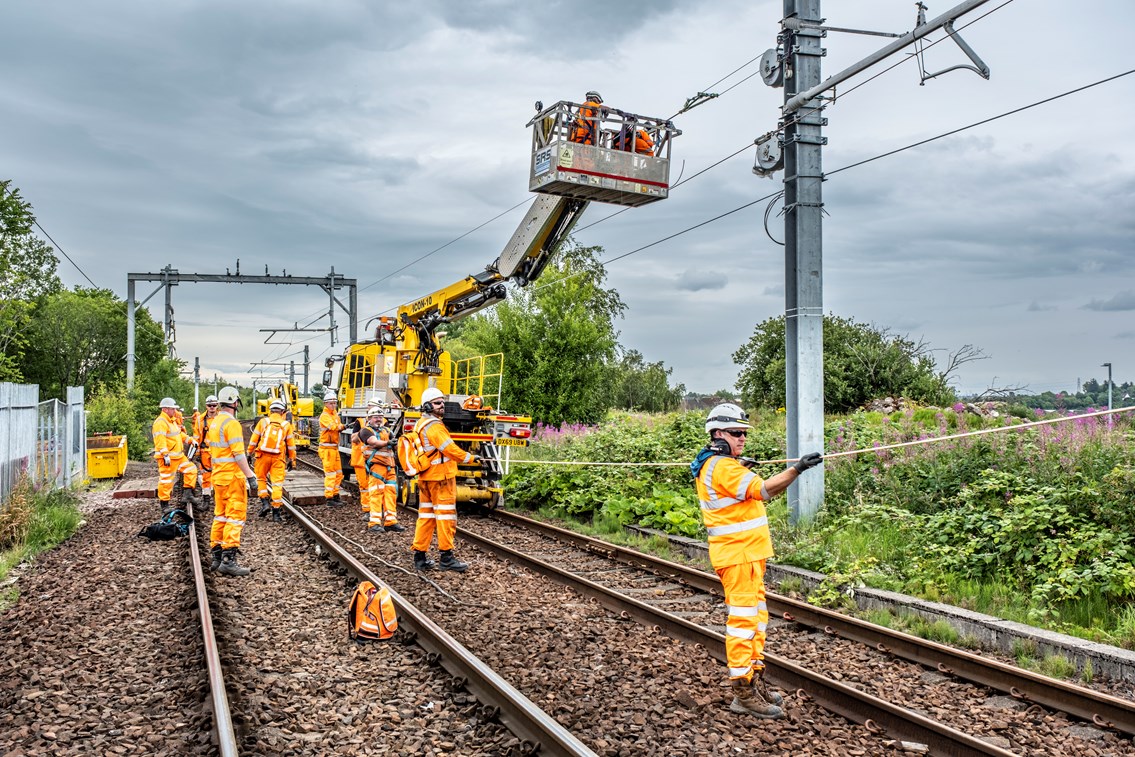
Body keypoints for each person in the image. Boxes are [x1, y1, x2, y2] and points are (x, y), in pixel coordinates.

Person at [690, 403, 823, 719]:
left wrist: (741, 463)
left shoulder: (721, 464)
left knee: (756, 619)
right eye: (736, 433)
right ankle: (742, 691)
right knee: (743, 623)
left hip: (746, 555)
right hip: (738, 555)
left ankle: (754, 679)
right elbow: (763, 490)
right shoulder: (723, 468)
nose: (742, 438)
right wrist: (798, 469)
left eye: (744, 433)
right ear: (718, 433)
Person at [410, 387, 477, 572]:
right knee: (446, 517)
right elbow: (449, 449)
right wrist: (470, 458)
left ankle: (420, 557)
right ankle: (446, 557)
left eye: (442, 402)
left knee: (426, 518)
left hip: (426, 477)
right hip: (441, 478)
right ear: (427, 406)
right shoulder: (435, 426)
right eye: (437, 403)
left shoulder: (420, 424)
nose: (442, 406)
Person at [206, 386, 258, 577]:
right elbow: (238, 454)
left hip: (218, 477)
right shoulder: (232, 423)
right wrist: (250, 476)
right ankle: (229, 560)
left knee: (220, 516)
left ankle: (217, 557)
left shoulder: (215, 422)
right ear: (235, 403)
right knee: (235, 517)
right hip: (232, 478)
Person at [357, 403, 403, 533]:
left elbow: (396, 445)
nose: (378, 419)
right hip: (377, 467)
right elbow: (373, 442)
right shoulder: (365, 431)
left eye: (380, 417)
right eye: (376, 417)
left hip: (390, 467)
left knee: (391, 494)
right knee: (376, 494)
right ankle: (374, 523)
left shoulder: (387, 431)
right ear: (369, 418)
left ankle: (391, 521)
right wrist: (388, 442)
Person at [248, 398, 296, 523]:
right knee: (277, 484)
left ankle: (265, 503)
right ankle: (276, 513)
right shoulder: (286, 425)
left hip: (262, 456)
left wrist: (248, 453)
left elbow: (254, 439)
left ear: (270, 410)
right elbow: (291, 445)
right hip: (278, 458)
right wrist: (292, 460)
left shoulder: (264, 422)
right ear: (282, 411)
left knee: (261, 480)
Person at [152, 397, 201, 512]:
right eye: (172, 409)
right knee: (166, 480)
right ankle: (164, 504)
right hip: (168, 458)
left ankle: (187, 495)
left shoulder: (171, 420)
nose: (175, 411)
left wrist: (190, 440)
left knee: (191, 470)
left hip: (178, 457)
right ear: (165, 409)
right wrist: (165, 454)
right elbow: (160, 440)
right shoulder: (160, 422)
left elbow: (179, 434)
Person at [318, 390, 345, 505]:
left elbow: (337, 426)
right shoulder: (324, 416)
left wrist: (342, 426)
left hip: (334, 448)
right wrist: (343, 426)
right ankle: (329, 498)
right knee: (330, 474)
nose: (333, 405)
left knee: (338, 473)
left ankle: (335, 494)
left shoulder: (335, 415)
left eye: (334, 403)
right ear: (325, 404)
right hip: (327, 449)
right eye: (331, 403)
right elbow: (333, 427)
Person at [194, 396, 220, 506]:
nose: (212, 407)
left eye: (214, 405)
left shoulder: (221, 419)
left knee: (219, 475)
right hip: (205, 451)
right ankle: (206, 499)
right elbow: (197, 436)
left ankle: (219, 500)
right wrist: (197, 452)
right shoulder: (200, 420)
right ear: (206, 406)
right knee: (206, 476)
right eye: (210, 405)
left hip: (218, 452)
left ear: (217, 406)